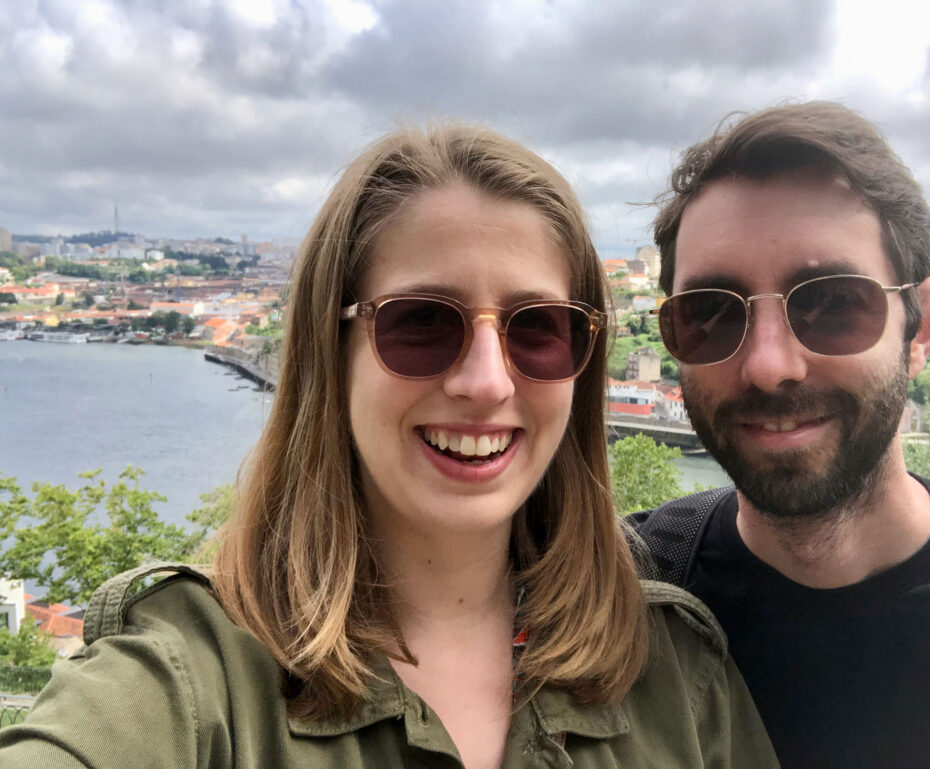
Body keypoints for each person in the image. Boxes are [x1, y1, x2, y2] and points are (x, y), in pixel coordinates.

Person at [0, 124, 777, 768]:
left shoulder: (676, 672)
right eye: (421, 322)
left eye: (537, 328)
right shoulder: (195, 679)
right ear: (329, 353)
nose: (484, 381)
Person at [631, 101, 930, 769]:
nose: (768, 365)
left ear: (922, 324)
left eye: (833, 302)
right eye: (711, 314)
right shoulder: (625, 600)